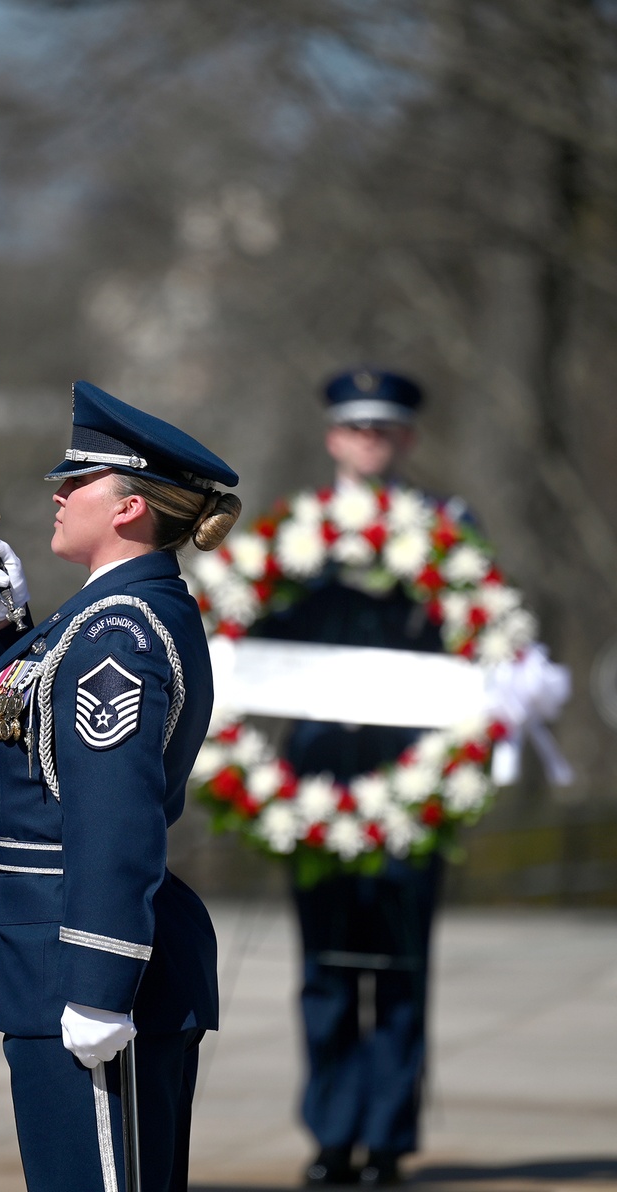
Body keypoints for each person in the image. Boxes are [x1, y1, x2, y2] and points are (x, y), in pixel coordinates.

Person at [0, 379, 242, 1192]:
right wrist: (3, 630)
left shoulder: (120, 633)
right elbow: (30, 746)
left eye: (76, 480)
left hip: (84, 967)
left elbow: (115, 818)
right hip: (43, 959)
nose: (57, 492)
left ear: (128, 508)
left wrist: (101, 984)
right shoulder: (98, 618)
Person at [255, 369, 462, 1188]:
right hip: (318, 777)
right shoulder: (293, 536)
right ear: (334, 436)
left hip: (415, 771)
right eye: (357, 427)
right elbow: (257, 634)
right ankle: (333, 1136)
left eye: (386, 428)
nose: (371, 440)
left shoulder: (450, 530)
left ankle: (386, 1140)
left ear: (407, 438)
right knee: (329, 962)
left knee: (401, 965)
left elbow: (475, 639)